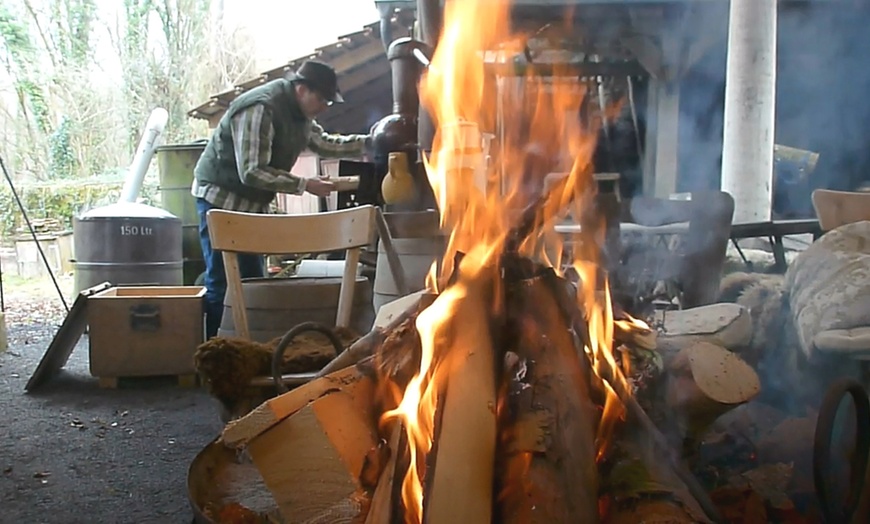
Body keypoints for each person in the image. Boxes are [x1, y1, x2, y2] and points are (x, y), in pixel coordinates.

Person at [192, 60, 371, 339]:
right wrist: (304, 184)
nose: (325, 106)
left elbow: (324, 144)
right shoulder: (261, 108)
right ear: (301, 89)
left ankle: (250, 350)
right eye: (322, 99)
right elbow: (251, 172)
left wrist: (371, 141)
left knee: (253, 284)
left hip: (252, 207)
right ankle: (214, 355)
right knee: (224, 283)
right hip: (220, 199)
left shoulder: (302, 116)